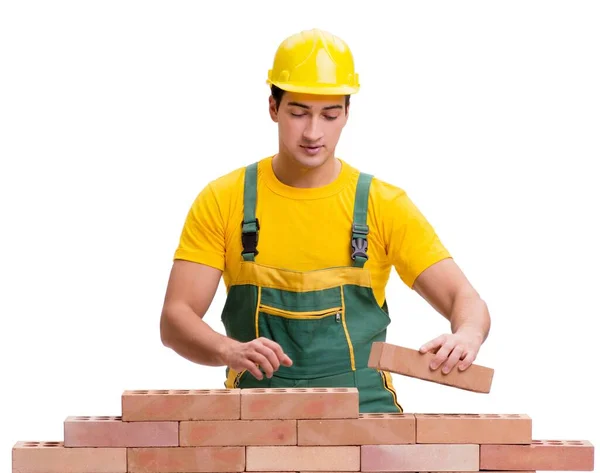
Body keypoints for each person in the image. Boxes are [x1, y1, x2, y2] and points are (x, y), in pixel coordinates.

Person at [159, 28, 491, 413]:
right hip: (254, 421)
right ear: (273, 108)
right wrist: (227, 349)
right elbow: (175, 318)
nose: (313, 132)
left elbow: (463, 298)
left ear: (347, 114)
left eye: (329, 115)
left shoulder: (383, 205)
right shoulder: (224, 199)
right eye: (298, 113)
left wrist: (467, 333)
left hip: (366, 420)